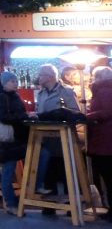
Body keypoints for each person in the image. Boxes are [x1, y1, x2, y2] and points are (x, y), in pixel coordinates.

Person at [34, 63, 82, 202]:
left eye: (41, 74)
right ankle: (49, 205)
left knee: (67, 172)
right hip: (45, 138)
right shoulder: (41, 93)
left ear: (49, 77)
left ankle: (71, 204)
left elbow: (75, 112)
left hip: (63, 139)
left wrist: (58, 116)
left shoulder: (66, 91)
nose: (39, 77)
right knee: (50, 171)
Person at [0, 71, 29, 215]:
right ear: (4, 83)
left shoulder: (15, 96)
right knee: (8, 170)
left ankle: (17, 200)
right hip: (8, 139)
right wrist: (21, 117)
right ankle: (11, 203)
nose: (15, 83)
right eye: (12, 81)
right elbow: (3, 117)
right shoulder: (2, 97)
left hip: (16, 138)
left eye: (15, 81)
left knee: (41, 154)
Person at [86, 66, 112, 221]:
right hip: (104, 140)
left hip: (105, 141)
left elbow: (108, 111)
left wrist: (87, 116)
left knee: (108, 176)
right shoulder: (104, 90)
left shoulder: (105, 90)